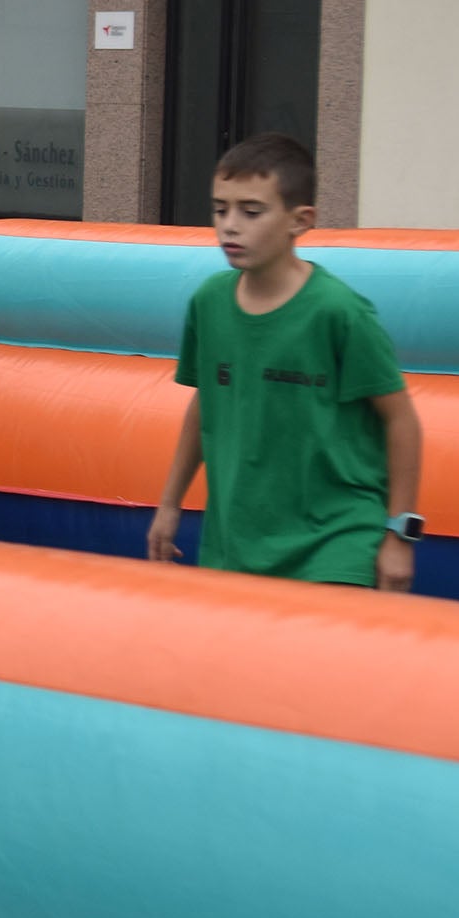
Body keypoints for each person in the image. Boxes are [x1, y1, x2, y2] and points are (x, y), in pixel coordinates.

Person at [147, 133, 425, 591]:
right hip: (233, 544)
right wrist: (170, 503)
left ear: (301, 221)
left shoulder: (339, 311)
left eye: (251, 212)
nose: (229, 226)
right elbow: (207, 403)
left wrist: (400, 535)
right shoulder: (209, 302)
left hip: (333, 546)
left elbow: (402, 422)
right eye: (220, 209)